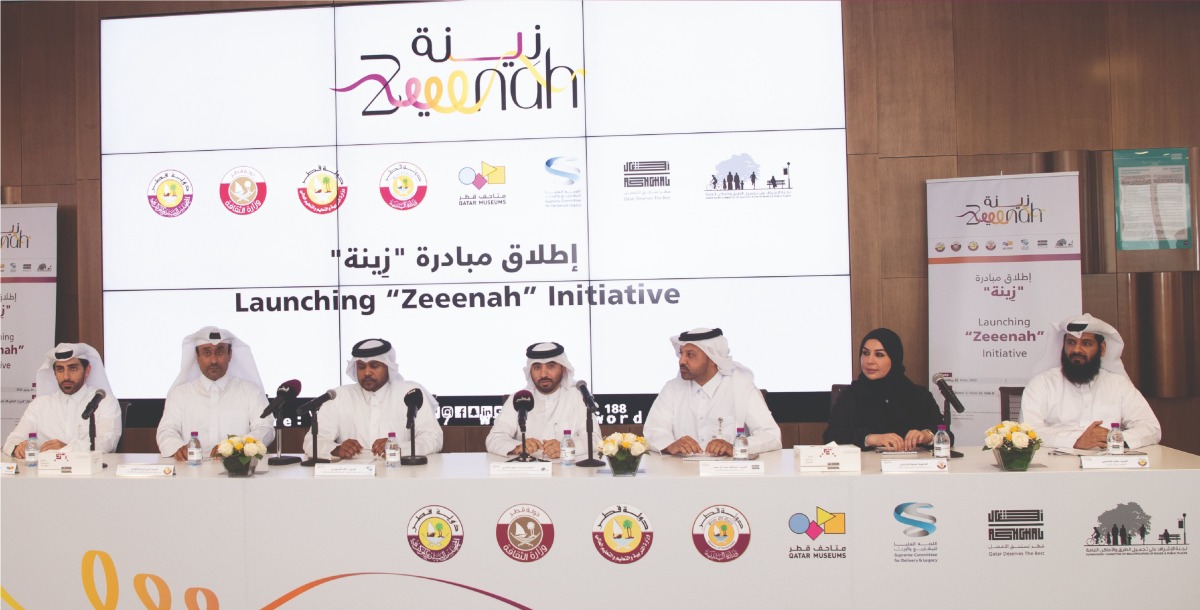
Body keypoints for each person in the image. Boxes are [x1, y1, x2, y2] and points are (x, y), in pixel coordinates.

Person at [1021, 313, 1161, 450]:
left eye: (1086, 343)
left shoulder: (1118, 384)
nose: (1077, 349)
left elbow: (1151, 427)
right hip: (1055, 466)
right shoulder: (1042, 383)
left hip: (1109, 465)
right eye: (1071, 342)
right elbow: (1028, 431)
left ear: (1102, 349)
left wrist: (1114, 437)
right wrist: (1075, 441)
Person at [644, 327, 781, 456]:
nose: (681, 360)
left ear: (713, 360)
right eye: (681, 354)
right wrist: (670, 445)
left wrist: (735, 447)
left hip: (729, 476)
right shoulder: (672, 389)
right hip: (682, 475)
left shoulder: (740, 387)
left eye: (690, 355)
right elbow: (654, 430)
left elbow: (770, 435)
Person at [303, 338, 443, 459]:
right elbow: (311, 441)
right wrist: (335, 449)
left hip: (400, 477)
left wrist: (399, 448)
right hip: (351, 481)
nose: (367, 372)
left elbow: (433, 437)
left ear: (388, 366)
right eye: (361, 367)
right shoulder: (339, 397)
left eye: (374, 366)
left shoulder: (410, 393)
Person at [156, 327, 274, 461]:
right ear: (197, 356)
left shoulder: (251, 391)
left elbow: (265, 428)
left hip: (237, 472)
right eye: (206, 353)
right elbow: (166, 430)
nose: (213, 360)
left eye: (220, 352)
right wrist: (178, 448)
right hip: (191, 473)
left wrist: (234, 447)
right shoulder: (180, 394)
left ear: (230, 355)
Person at [823, 328, 946, 450]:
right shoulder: (850, 396)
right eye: (865, 353)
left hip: (911, 468)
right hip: (866, 468)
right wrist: (870, 439)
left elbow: (946, 435)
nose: (869, 361)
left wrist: (927, 436)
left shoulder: (919, 396)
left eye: (879, 354)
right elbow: (831, 436)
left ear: (894, 358)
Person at [485, 342, 603, 458]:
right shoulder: (520, 398)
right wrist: (518, 447)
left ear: (563, 369)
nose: (543, 374)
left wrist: (566, 447)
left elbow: (595, 439)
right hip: (528, 473)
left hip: (568, 472)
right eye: (537, 367)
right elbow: (494, 438)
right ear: (530, 371)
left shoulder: (577, 396)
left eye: (550, 366)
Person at [4, 343, 122, 458]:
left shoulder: (104, 402)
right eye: (60, 369)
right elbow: (14, 438)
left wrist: (67, 449)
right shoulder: (40, 404)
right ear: (54, 373)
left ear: (87, 371)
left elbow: (108, 443)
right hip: (44, 475)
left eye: (73, 368)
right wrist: (18, 447)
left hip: (89, 474)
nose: (66, 376)